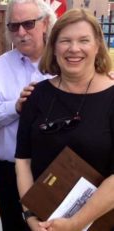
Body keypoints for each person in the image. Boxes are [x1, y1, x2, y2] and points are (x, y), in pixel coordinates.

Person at [15, 8, 114, 231]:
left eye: (84, 40)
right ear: (54, 47)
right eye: (65, 41)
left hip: (101, 223)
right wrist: (30, 215)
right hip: (42, 223)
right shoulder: (36, 96)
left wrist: (74, 224)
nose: (74, 48)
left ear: (97, 45)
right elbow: (23, 160)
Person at [0, 0, 57, 230]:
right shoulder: (0, 66)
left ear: (45, 23)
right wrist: (15, 107)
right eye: (14, 26)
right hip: (9, 172)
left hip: (55, 173)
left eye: (29, 24)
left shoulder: (65, 62)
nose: (21, 32)